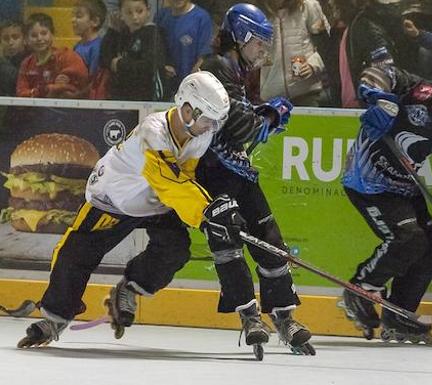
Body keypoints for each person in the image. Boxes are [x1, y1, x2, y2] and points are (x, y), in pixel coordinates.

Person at [17, 71, 235, 348]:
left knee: (175, 250)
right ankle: (55, 319)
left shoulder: (199, 134)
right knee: (75, 253)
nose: (212, 127)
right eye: (208, 119)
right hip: (114, 199)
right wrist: (206, 213)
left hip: (156, 201)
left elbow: (183, 180)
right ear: (188, 109)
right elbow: (170, 182)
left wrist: (207, 210)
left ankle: (129, 287)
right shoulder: (153, 132)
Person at [340, 52, 432, 343]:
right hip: (369, 181)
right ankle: (360, 289)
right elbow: (383, 73)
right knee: (409, 238)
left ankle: (399, 314)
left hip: (404, 187)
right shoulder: (421, 92)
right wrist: (376, 97)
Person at [197, 3, 314, 355]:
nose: (263, 49)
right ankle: (249, 314)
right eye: (258, 42)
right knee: (229, 241)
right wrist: (272, 117)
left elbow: (242, 120)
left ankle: (283, 315)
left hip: (238, 169)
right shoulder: (219, 67)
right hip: (214, 171)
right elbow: (242, 127)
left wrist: (264, 113)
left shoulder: (238, 70)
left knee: (268, 239)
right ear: (240, 37)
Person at [258, 0, 330, 106]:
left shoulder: (308, 7)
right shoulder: (258, 13)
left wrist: (313, 64)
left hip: (307, 94)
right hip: (272, 97)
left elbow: (327, 45)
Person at [99, 0, 169, 101]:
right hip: (124, 96)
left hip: (147, 97)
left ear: (148, 11)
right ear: (120, 14)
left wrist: (120, 64)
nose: (135, 17)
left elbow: (150, 66)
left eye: (139, 11)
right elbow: (104, 60)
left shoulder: (152, 34)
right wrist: (112, 31)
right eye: (129, 13)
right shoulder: (121, 35)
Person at [16, 13, 89, 99]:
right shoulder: (26, 64)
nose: (39, 38)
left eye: (44, 33)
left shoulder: (67, 56)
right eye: (34, 35)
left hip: (64, 110)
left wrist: (58, 88)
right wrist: (42, 91)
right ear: (26, 39)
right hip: (35, 110)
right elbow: (21, 92)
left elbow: (81, 83)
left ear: (52, 34)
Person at [156, 0, 213, 90]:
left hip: (191, 87)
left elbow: (204, 58)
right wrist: (162, 67)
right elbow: (154, 50)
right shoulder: (161, 16)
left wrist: (190, 84)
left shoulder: (202, 18)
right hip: (165, 86)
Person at [72, 0, 107, 78]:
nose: (73, 20)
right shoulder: (78, 45)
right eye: (73, 16)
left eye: (79, 16)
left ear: (95, 21)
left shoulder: (97, 47)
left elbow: (93, 79)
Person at [0, 20, 27, 96]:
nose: (10, 42)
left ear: (24, 39)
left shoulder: (32, 62)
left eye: (15, 37)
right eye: (5, 38)